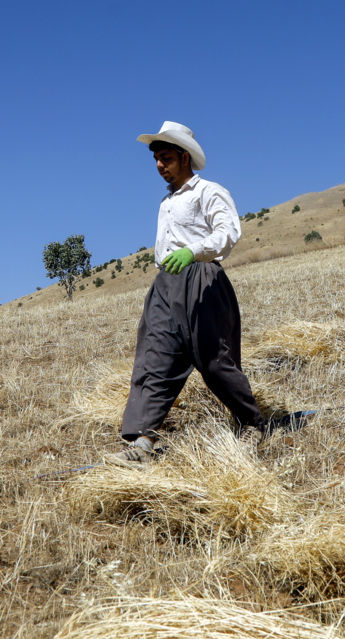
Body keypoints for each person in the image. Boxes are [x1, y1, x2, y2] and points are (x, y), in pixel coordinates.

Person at [110, 121, 266, 467]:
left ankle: (252, 423)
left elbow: (229, 232)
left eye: (166, 157)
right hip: (166, 283)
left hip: (201, 279)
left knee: (212, 357)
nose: (159, 165)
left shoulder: (208, 192)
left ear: (184, 157)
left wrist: (194, 251)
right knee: (155, 356)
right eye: (156, 160)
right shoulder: (166, 203)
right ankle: (143, 443)